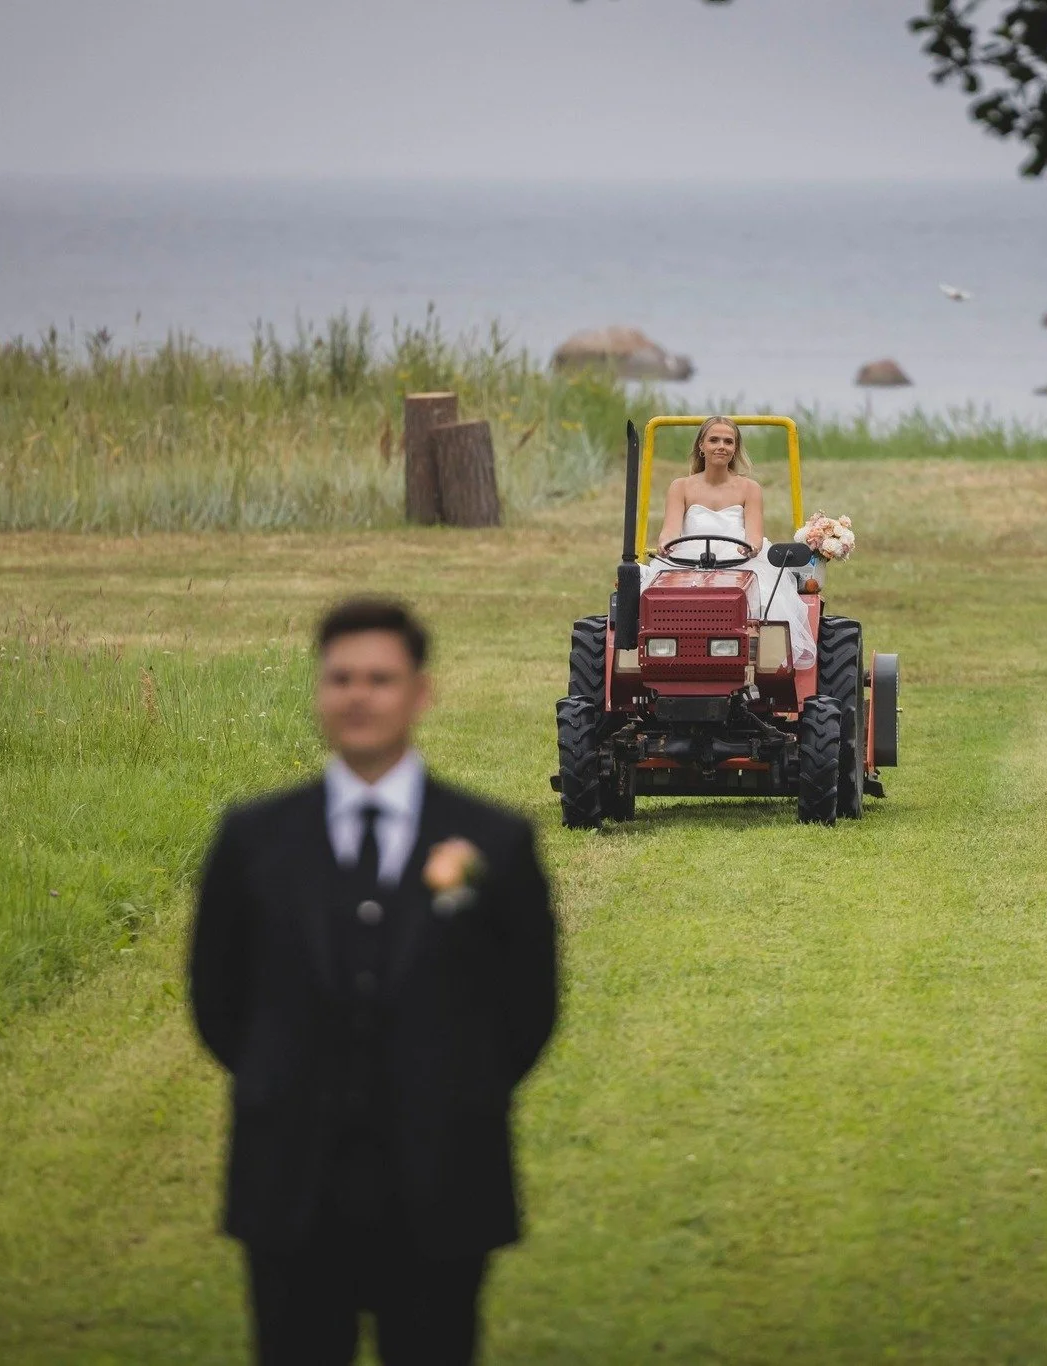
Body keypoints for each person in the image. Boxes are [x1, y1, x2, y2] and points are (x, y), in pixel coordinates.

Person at [188, 597, 557, 1366]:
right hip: (289, 1180)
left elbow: (527, 1009)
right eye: (342, 678)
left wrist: (454, 1085)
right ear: (320, 692)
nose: (359, 696)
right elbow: (219, 1002)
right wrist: (286, 1078)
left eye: (381, 679)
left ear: (419, 694)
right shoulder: (254, 838)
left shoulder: (495, 839)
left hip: (444, 1176)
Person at [644, 415, 816, 668]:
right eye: (714, 440)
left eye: (728, 441)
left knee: (767, 601)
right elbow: (670, 530)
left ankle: (754, 661)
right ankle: (665, 655)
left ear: (735, 448)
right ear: (701, 446)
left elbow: (754, 535)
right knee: (647, 597)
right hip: (689, 558)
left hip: (738, 559)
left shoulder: (749, 488)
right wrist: (666, 543)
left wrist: (750, 547)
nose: (721, 446)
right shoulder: (680, 486)